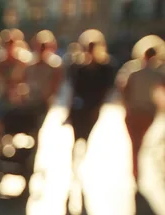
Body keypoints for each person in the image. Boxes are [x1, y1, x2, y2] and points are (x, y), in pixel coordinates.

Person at [65, 30, 115, 170]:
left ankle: (80, 163)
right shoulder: (78, 67)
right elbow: (73, 89)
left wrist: (98, 107)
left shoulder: (105, 68)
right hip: (78, 108)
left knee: (86, 136)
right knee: (76, 137)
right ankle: (74, 164)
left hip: (92, 107)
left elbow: (106, 90)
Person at [117, 35, 165, 181]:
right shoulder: (157, 73)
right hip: (146, 111)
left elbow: (123, 89)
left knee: (135, 143)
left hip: (135, 111)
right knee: (139, 142)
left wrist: (126, 104)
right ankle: (136, 171)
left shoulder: (133, 71)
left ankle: (136, 171)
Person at [0, 29, 31, 139]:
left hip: (19, 97)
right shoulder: (2, 62)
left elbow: (26, 79)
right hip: (5, 95)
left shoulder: (22, 61)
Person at [25, 30, 64, 131]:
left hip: (43, 100)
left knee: (37, 124)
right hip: (30, 99)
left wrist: (47, 97)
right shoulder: (30, 63)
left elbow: (56, 84)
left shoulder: (54, 64)